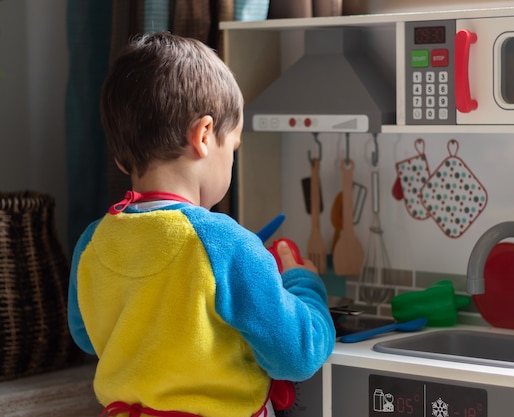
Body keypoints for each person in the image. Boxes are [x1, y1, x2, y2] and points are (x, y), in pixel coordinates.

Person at [67, 32, 336, 417]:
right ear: (205, 135)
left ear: (122, 159)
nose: (231, 160)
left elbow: (86, 336)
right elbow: (298, 352)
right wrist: (304, 285)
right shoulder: (225, 243)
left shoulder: (93, 240)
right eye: (234, 148)